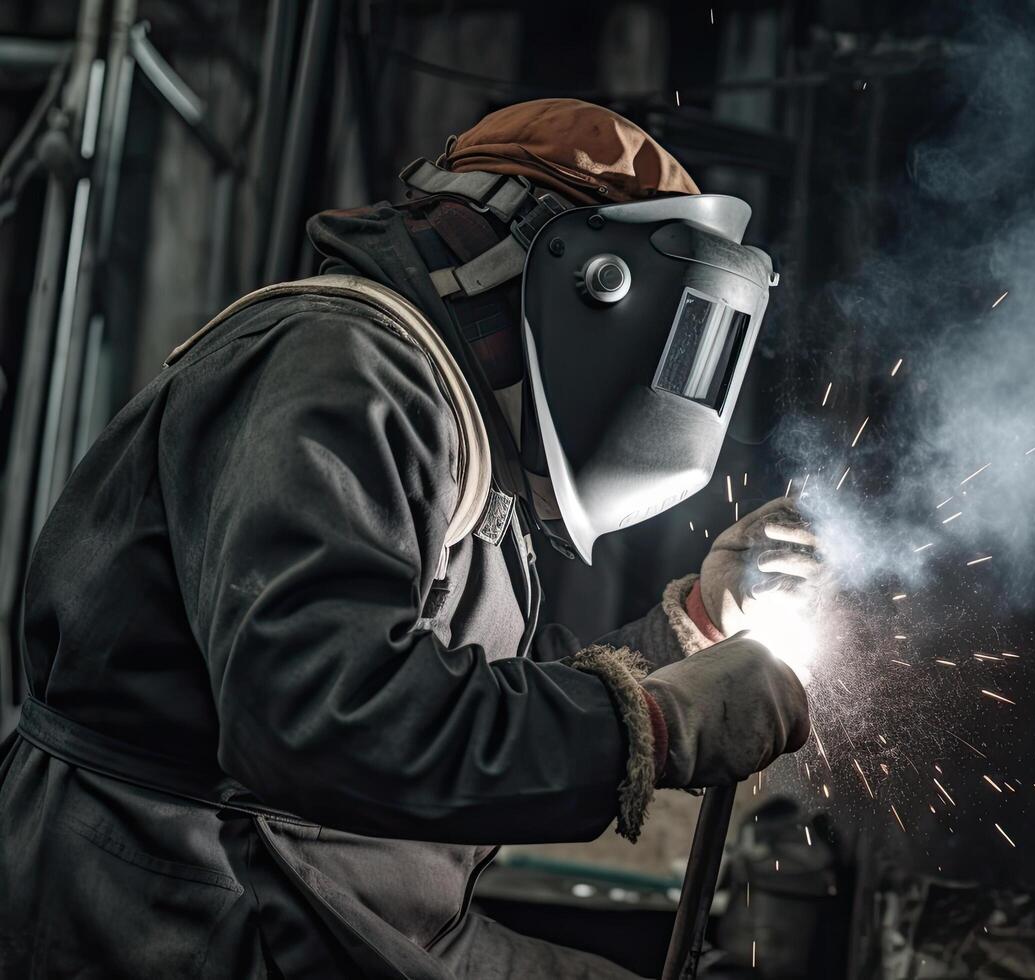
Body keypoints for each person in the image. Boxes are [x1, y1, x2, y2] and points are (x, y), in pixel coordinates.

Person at [0, 99, 819, 979]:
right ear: (584, 278)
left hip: (349, 894)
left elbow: (474, 694)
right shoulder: (346, 370)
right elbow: (321, 717)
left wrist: (689, 627)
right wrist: (659, 724)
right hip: (181, 909)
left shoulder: (452, 414)